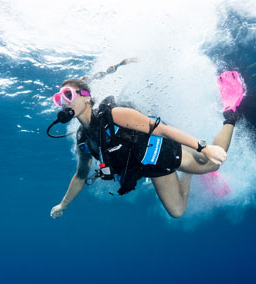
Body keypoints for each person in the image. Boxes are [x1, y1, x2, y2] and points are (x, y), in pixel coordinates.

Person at [49, 71, 243, 218]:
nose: (64, 103)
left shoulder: (113, 115)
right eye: (59, 100)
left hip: (161, 151)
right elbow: (81, 175)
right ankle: (189, 169)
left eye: (67, 95)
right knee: (177, 212)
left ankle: (230, 114)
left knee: (212, 163)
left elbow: (161, 130)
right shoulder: (83, 139)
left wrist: (205, 148)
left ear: (86, 96)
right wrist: (63, 205)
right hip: (149, 167)